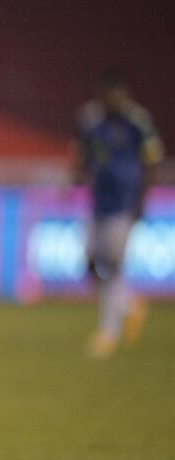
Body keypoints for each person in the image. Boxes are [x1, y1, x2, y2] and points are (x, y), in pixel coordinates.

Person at [71, 69, 164, 359]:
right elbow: (81, 154)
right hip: (96, 202)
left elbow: (151, 160)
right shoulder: (91, 119)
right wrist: (77, 174)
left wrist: (142, 200)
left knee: (111, 267)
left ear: (125, 95)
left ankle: (108, 333)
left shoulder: (138, 121)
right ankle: (129, 304)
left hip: (123, 205)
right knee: (88, 263)